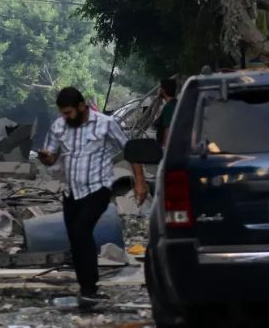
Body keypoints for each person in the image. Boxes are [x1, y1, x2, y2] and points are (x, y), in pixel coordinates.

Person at [38, 86, 148, 309]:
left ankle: (90, 289)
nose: (65, 117)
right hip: (71, 192)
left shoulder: (105, 124)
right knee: (76, 239)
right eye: (62, 113)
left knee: (82, 231)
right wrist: (46, 158)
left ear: (81, 107)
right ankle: (86, 290)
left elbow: (130, 150)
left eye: (69, 113)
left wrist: (140, 181)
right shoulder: (59, 125)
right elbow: (51, 157)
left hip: (98, 189)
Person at [155, 77, 177, 147]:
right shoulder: (177, 104)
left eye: (159, 88)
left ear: (163, 90)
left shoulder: (169, 107)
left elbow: (168, 130)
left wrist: (165, 149)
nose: (158, 90)